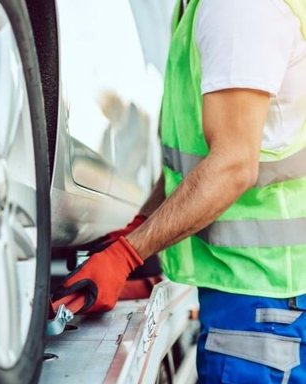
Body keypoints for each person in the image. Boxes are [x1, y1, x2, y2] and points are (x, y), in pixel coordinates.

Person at [53, 0, 306, 382]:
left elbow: (233, 166)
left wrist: (127, 254)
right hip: (253, 292)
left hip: (264, 300)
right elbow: (188, 165)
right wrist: (141, 228)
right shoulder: (198, 9)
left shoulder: (238, 10)